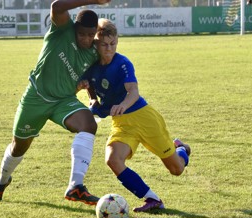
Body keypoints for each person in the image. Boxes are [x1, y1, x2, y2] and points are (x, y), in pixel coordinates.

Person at [0, 0, 111, 206]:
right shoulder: (61, 30)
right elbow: (57, 6)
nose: (86, 39)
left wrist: (89, 93)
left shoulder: (93, 52)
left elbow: (91, 75)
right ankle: (2, 181)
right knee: (19, 147)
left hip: (64, 101)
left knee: (88, 124)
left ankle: (75, 186)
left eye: (91, 35)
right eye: (82, 34)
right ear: (75, 29)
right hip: (36, 98)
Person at [79, 19, 191, 212]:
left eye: (112, 44)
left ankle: (180, 148)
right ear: (96, 43)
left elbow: (133, 92)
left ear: (117, 42)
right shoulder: (91, 65)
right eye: (104, 44)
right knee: (113, 160)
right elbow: (91, 87)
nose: (109, 49)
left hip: (144, 118)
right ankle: (152, 199)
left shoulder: (123, 63)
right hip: (122, 124)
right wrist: (93, 100)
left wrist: (122, 105)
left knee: (176, 169)